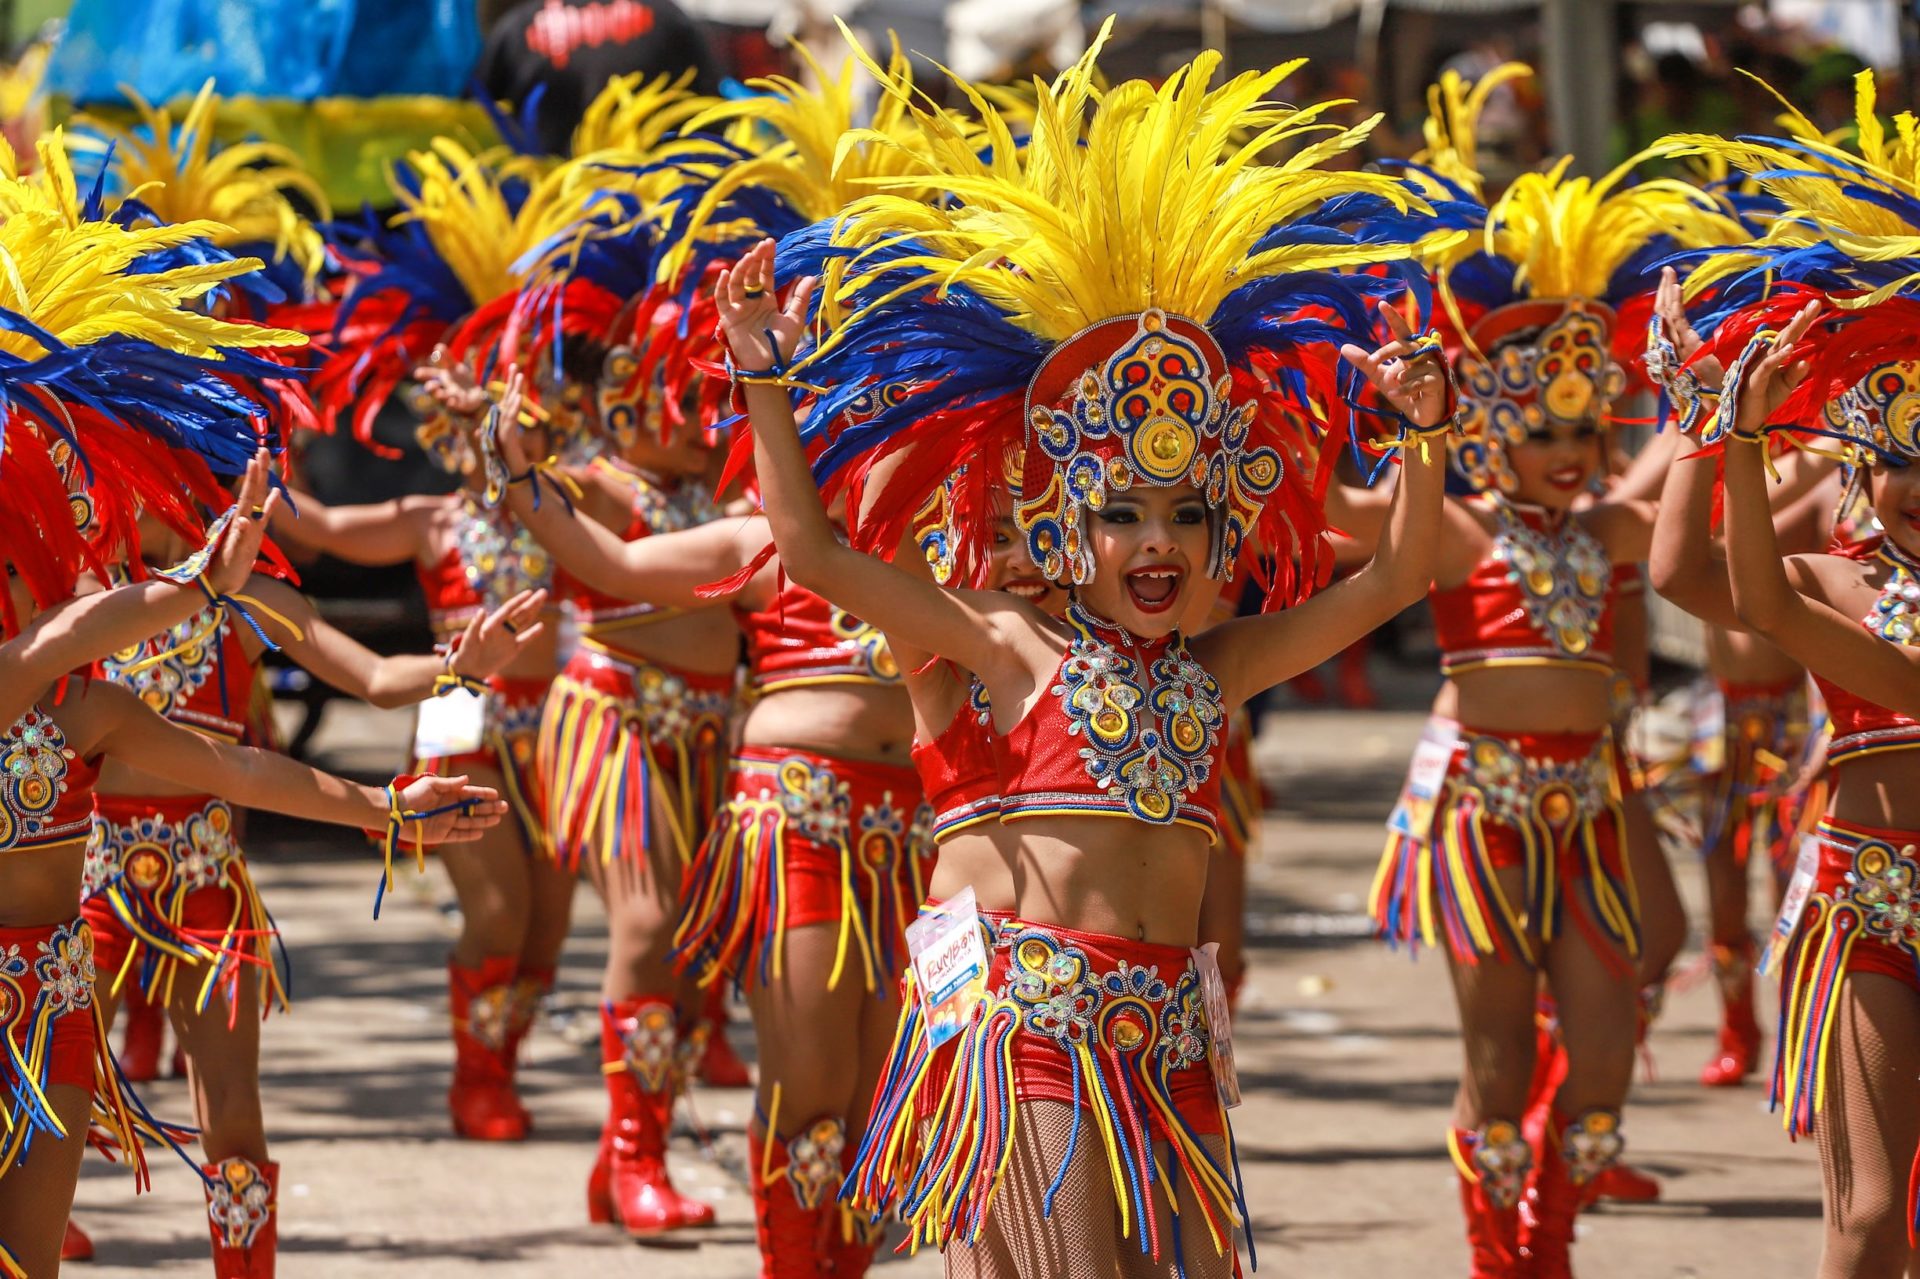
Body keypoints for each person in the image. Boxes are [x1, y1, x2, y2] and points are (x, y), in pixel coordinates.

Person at [717, 32, 1456, 1273]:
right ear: (1066, 524)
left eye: (1183, 515)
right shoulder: (1004, 644)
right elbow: (816, 554)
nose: (1155, 544)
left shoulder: (1217, 669)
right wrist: (765, 382)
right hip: (1028, 1028)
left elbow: (1400, 577)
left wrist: (1425, 437)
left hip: (1166, 1045)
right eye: (1121, 512)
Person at [1357, 63, 1743, 1278]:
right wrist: (1331, 407)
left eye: (1585, 430)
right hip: (1481, 805)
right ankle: (1509, 1259)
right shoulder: (1458, 529)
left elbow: (1713, 508)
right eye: (1544, 431)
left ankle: (1552, 1227)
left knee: (1605, 1049)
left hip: (1591, 798)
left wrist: (1719, 397)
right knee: (1498, 1062)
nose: (1573, 453)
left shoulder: (1609, 531)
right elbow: (1331, 513)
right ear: (1487, 431)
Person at [1648, 71, 1920, 1273]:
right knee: (1866, 1220)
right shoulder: (1828, 580)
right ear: (1863, 460)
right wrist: (1723, 438)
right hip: (1871, 903)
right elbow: (1693, 577)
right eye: (1901, 458)